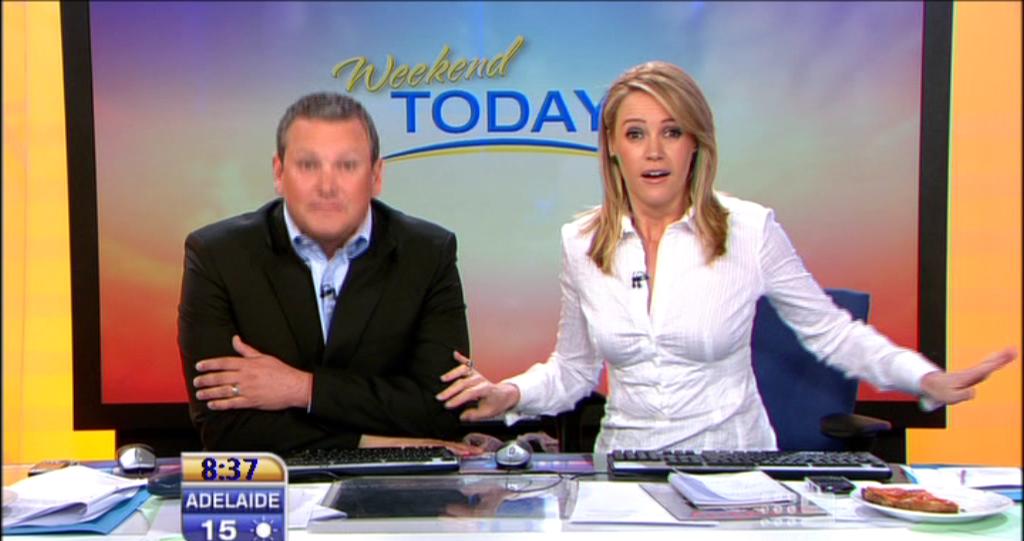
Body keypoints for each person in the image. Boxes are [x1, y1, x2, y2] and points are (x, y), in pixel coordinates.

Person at [437, 61, 1016, 453]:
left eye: (672, 132)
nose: (654, 151)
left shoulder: (750, 230)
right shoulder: (581, 242)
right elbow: (574, 370)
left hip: (733, 470)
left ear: (696, 142)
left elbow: (832, 334)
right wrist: (510, 395)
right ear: (612, 147)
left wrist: (923, 378)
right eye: (636, 134)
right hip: (626, 472)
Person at [179, 92, 479, 455]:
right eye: (308, 165)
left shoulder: (428, 253)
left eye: (347, 165)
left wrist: (302, 389)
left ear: (376, 176)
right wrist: (378, 442)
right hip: (272, 486)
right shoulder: (217, 256)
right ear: (279, 173)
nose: (327, 186)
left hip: (397, 487)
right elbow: (225, 430)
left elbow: (440, 410)